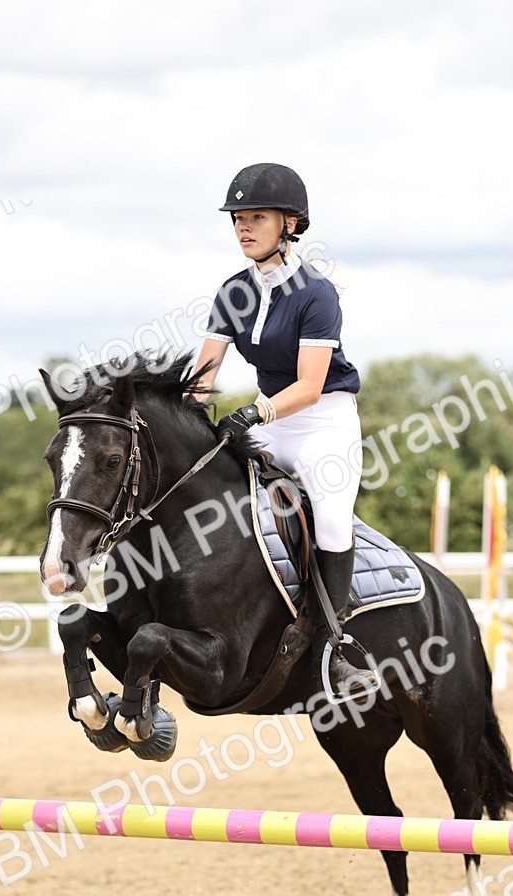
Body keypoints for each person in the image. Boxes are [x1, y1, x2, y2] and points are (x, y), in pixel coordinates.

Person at [193, 161, 378, 699]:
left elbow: (311, 385)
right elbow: (203, 375)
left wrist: (254, 414)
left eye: (256, 217)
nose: (243, 227)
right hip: (271, 416)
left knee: (330, 515)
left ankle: (336, 646)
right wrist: (183, 417)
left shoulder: (316, 294)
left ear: (290, 224)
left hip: (321, 421)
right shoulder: (232, 291)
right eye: (238, 219)